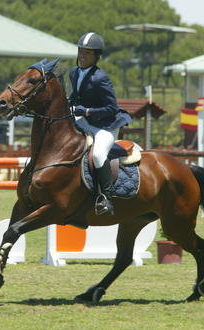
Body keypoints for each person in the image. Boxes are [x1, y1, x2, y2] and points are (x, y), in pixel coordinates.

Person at [68, 32, 132, 216]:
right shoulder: (74, 72)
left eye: (87, 53)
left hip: (106, 125)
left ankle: (106, 198)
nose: (82, 55)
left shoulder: (100, 78)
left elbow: (111, 108)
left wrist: (87, 111)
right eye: (81, 51)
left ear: (96, 56)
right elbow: (75, 97)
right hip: (85, 121)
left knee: (97, 155)